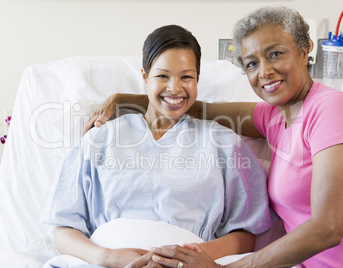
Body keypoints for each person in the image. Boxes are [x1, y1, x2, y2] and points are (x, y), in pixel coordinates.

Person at [85, 6, 343, 268]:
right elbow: (200, 108)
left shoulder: (333, 108)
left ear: (305, 50)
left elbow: (327, 228)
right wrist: (125, 100)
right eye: (251, 64)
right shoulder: (273, 117)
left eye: (275, 54)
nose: (264, 71)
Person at [41, 24, 272, 267]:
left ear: (197, 79)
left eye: (186, 77)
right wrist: (108, 257)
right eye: (162, 76)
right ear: (145, 76)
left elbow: (246, 235)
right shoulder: (100, 139)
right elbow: (63, 227)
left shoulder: (224, 143)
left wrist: (184, 258)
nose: (175, 88)